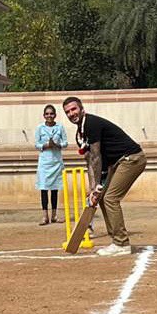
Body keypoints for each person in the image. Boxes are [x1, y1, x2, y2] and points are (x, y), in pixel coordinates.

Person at [62, 96, 146, 256]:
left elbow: (96, 156)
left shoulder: (91, 124)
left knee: (110, 198)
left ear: (81, 109)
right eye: (68, 112)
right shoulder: (80, 135)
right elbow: (89, 162)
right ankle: (116, 241)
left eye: (74, 109)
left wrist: (95, 186)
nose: (71, 113)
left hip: (132, 158)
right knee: (101, 197)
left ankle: (122, 244)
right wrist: (93, 188)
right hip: (115, 164)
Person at [34, 104, 68, 225]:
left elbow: (65, 143)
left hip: (56, 161)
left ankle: (54, 215)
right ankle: (45, 216)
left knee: (54, 190)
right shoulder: (40, 128)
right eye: (47, 114)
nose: (49, 116)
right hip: (44, 162)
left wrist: (57, 145)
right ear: (44, 116)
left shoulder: (60, 127)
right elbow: (36, 144)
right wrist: (45, 145)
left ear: (55, 115)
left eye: (51, 114)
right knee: (44, 189)